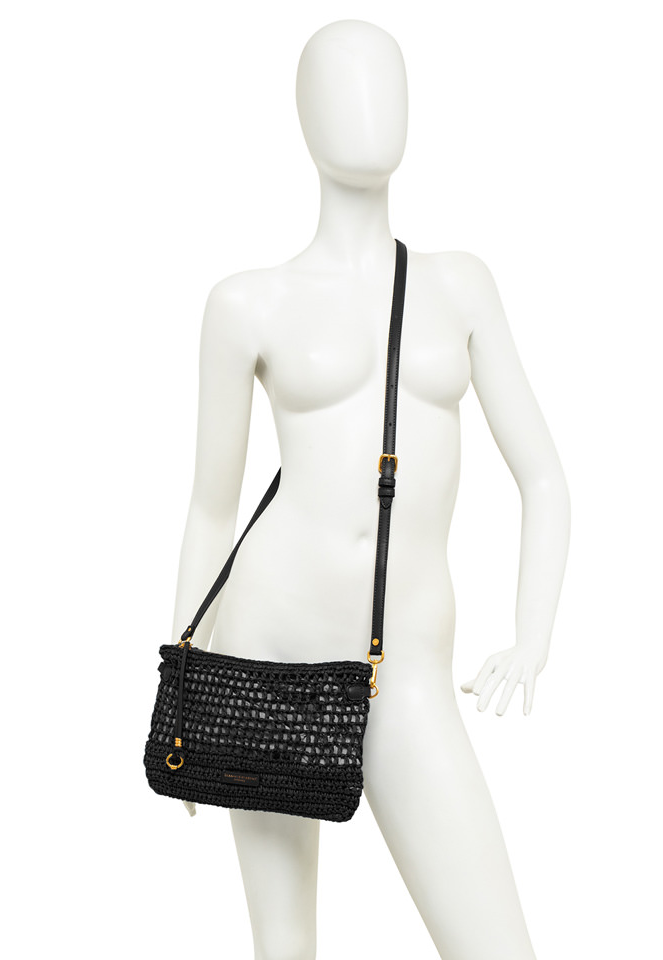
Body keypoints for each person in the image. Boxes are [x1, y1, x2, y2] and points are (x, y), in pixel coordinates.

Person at [172, 18, 570, 960]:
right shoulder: (244, 303)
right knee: (284, 947)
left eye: (388, 81)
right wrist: (187, 683)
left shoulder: (460, 286)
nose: (368, 106)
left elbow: (544, 475)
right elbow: (211, 508)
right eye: (343, 84)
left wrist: (533, 634)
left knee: (496, 947)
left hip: (407, 665)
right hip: (267, 649)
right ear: (303, 115)